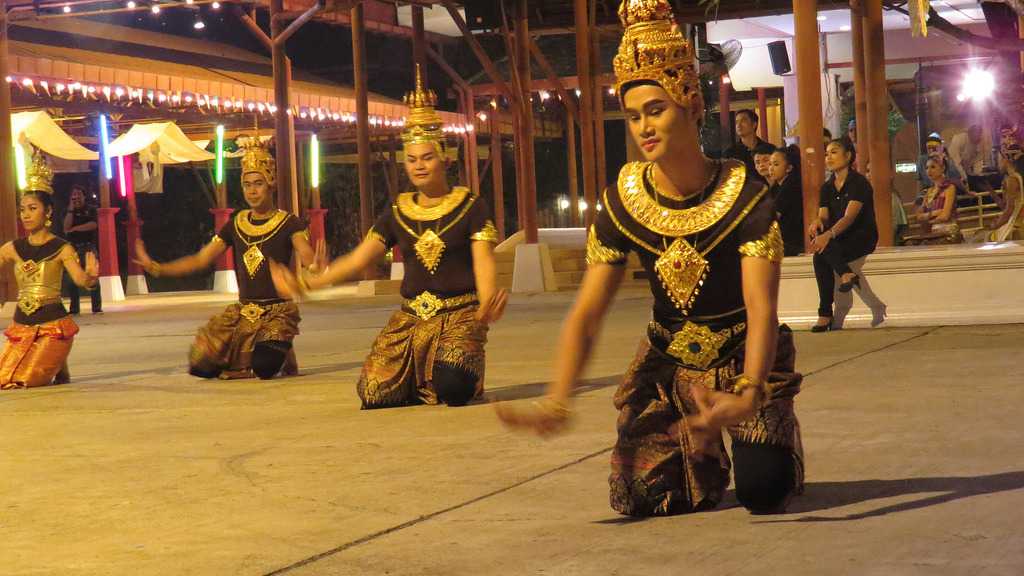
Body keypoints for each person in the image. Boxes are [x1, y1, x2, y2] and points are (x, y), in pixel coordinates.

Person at [497, 0, 804, 517]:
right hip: (667, 364)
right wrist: (558, 396)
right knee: (646, 496)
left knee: (763, 493)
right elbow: (588, 314)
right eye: (634, 115)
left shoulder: (745, 194)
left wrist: (749, 390)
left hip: (741, 354)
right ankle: (695, 452)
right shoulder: (623, 198)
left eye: (656, 110)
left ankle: (773, 441)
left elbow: (760, 310)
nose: (643, 127)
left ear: (690, 104)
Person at [270, 66, 507, 409]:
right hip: (411, 318)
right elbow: (359, 258)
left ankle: (452, 375)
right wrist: (309, 284)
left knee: (454, 389)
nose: (419, 166)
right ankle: (422, 377)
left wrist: (486, 305)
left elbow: (484, 259)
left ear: (444, 156)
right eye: (411, 160)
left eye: (427, 157)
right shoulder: (398, 210)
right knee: (373, 392)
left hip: (459, 314)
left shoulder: (471, 206)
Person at [134, 137, 315, 380]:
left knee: (264, 367)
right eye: (247, 184)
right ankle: (262, 359)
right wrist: (158, 268)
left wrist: (314, 266)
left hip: (277, 312)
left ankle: (270, 356)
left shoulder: (288, 222)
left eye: (258, 183)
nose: (252, 190)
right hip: (243, 312)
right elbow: (201, 260)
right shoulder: (236, 224)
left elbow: (306, 254)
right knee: (200, 363)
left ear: (270, 184)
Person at [1, 150, 98, 390]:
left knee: (28, 379)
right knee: (6, 379)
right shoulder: (12, 248)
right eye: (22, 209)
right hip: (22, 326)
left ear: (48, 212)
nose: (25, 214)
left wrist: (91, 278)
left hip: (53, 324)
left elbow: (80, 279)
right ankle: (58, 362)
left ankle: (58, 352)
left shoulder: (61, 247)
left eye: (32, 208)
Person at [809, 138, 884, 332]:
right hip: (838, 239)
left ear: (848, 156)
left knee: (823, 249)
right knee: (819, 256)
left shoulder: (859, 183)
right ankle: (845, 277)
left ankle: (826, 313)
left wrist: (828, 235)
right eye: (826, 154)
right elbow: (824, 216)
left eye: (834, 152)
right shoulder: (827, 187)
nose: (828, 157)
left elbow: (849, 217)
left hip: (861, 235)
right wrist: (818, 222)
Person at [63, 184, 102, 315]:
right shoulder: (69, 211)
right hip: (73, 249)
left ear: (84, 196)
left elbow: (93, 225)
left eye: (79, 194)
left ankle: (96, 308)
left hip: (88, 247)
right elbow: (66, 227)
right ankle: (74, 309)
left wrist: (76, 228)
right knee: (71, 278)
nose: (76, 197)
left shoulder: (91, 209)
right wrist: (70, 210)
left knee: (92, 276)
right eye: (74, 195)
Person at [909, 156, 961, 245]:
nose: (929, 171)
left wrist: (927, 219)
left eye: (933, 167)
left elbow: (945, 216)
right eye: (927, 168)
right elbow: (918, 216)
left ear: (942, 168)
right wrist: (934, 213)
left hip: (948, 233)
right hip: (933, 234)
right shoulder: (929, 191)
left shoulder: (949, 188)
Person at [978, 145, 1024, 242]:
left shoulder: (1012, 180)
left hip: (1017, 225)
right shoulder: (1013, 178)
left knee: (983, 238)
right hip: (1016, 221)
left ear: (1006, 159)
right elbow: (1005, 206)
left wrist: (995, 225)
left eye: (999, 159)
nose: (998, 163)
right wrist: (991, 192)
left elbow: (1009, 210)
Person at [768, 145, 804, 256]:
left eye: (776, 164)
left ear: (789, 168)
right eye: (770, 164)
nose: (771, 168)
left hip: (792, 241)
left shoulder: (791, 186)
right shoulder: (777, 186)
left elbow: (772, 217)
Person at [949, 124, 994, 192]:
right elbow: (956, 161)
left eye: (979, 134)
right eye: (976, 133)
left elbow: (978, 160)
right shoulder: (959, 139)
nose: (978, 136)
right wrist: (965, 177)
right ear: (969, 133)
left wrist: (976, 175)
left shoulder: (981, 143)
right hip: (953, 170)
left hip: (968, 170)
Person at [724, 109, 765, 176]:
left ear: (754, 124)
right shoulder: (730, 153)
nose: (738, 125)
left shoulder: (768, 149)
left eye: (743, 120)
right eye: (737, 122)